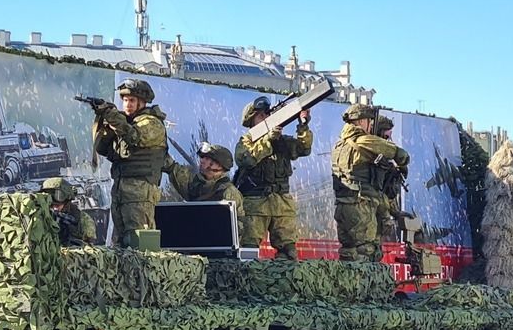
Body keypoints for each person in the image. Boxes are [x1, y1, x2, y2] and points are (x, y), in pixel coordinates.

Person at [91, 79, 168, 247]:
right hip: (120, 189)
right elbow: (104, 149)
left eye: (132, 100)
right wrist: (107, 123)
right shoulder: (125, 123)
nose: (127, 104)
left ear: (142, 102)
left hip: (141, 192)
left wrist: (114, 118)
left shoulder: (152, 123)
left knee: (141, 244)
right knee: (120, 242)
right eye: (125, 100)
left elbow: (134, 137)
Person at [233, 96, 312, 259]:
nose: (267, 119)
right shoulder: (246, 141)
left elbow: (303, 149)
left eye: (268, 115)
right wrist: (268, 139)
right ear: (251, 121)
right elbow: (246, 159)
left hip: (281, 203)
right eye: (261, 116)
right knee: (248, 249)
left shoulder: (281, 141)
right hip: (255, 203)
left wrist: (303, 124)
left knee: (288, 250)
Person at [331, 104, 408, 261]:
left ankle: (348, 285)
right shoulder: (365, 141)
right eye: (369, 120)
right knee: (365, 254)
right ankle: (359, 286)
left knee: (349, 252)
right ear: (360, 121)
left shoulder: (339, 145)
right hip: (362, 208)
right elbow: (402, 155)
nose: (370, 124)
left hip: (344, 207)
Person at [164, 143, 244, 229]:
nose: (202, 161)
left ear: (219, 165)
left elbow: (235, 229)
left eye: (207, 158)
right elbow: (171, 167)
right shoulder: (195, 184)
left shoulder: (229, 193)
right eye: (202, 157)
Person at [370, 115, 410, 245]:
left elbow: (387, 192)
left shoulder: (385, 159)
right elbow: (376, 192)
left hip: (378, 216)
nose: (389, 141)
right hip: (368, 213)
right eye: (386, 137)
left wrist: (396, 212)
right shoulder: (367, 154)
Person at [40, 177, 96, 247]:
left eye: (57, 205)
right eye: (50, 205)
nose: (54, 208)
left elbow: (90, 250)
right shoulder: (38, 218)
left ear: (67, 202)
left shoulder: (83, 220)